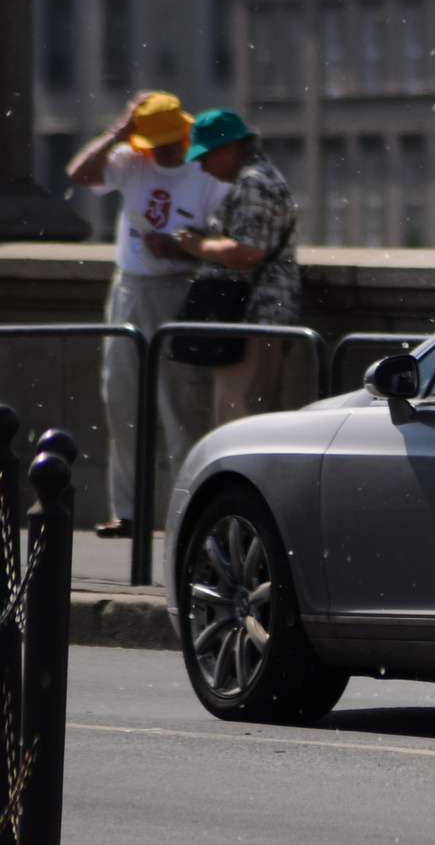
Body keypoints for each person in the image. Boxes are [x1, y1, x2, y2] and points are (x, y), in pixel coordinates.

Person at [67, 92, 229, 539]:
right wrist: (119, 130)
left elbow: (225, 239)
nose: (162, 153)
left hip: (179, 290)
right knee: (121, 400)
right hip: (130, 288)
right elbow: (80, 173)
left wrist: (180, 246)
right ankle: (129, 511)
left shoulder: (205, 171)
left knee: (182, 406)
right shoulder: (132, 158)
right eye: (154, 145)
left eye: (169, 144)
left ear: (183, 133)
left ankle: (189, 512)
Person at [172, 110, 301, 425]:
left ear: (228, 149)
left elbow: (248, 252)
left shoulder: (253, 182)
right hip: (253, 311)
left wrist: (198, 246)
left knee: (239, 417)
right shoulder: (258, 178)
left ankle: (239, 476)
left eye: (204, 157)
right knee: (245, 412)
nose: (201, 166)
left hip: (253, 312)